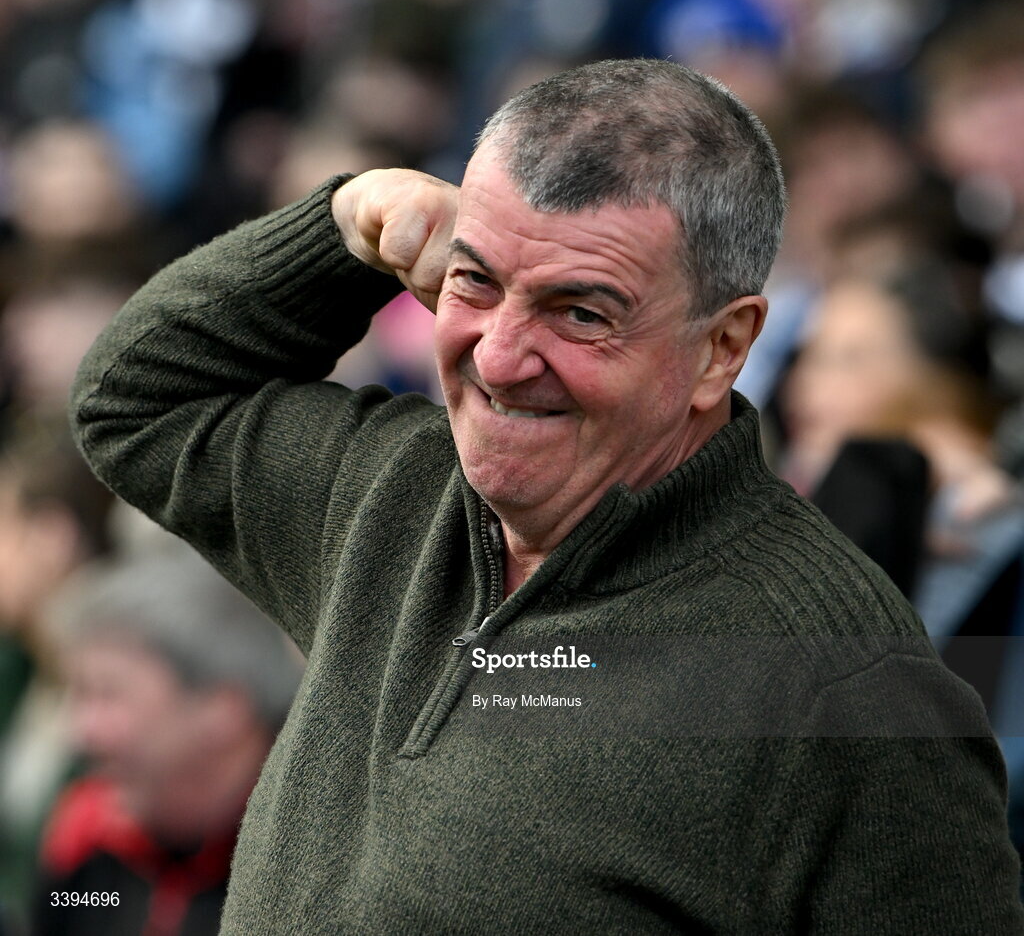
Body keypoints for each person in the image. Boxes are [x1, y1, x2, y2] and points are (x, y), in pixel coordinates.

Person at [69, 59, 1024, 933]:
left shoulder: (847, 692)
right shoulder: (390, 489)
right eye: (474, 281)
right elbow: (135, 400)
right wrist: (345, 228)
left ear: (723, 347)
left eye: (580, 311)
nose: (498, 356)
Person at [32, 547, 303, 936]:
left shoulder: (303, 867)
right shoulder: (87, 844)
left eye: (107, 693)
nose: (80, 731)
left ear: (223, 706)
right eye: (77, 694)